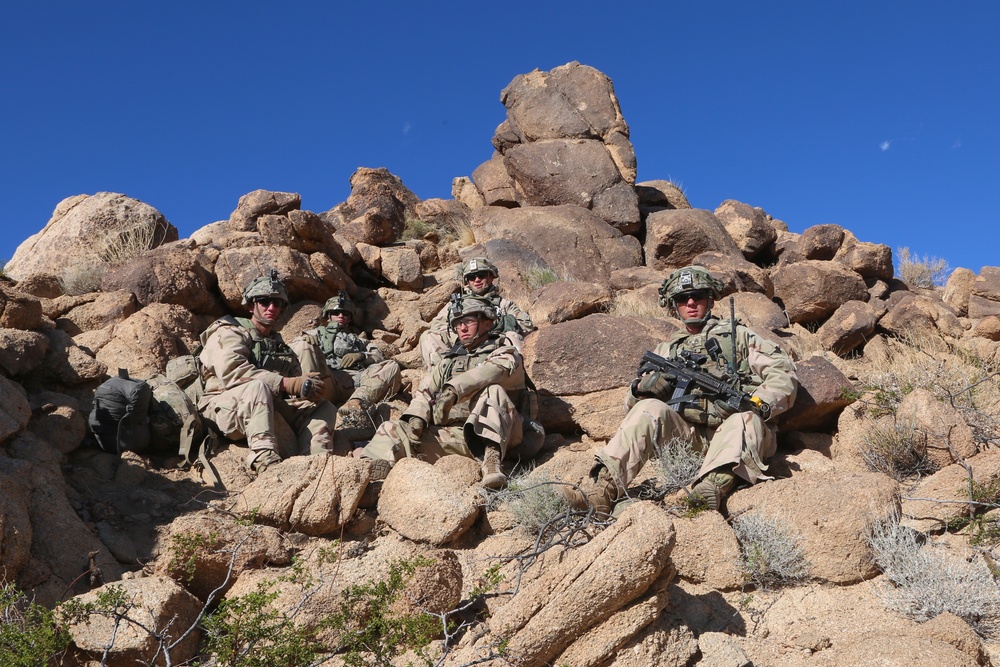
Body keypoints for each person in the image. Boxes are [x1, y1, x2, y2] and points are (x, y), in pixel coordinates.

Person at [563, 265, 798, 514]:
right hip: (687, 439)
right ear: (674, 306)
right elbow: (631, 407)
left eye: (697, 296)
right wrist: (642, 388)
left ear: (710, 300)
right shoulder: (667, 350)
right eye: (682, 299)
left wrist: (755, 402)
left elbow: (783, 376)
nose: (691, 303)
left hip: (734, 433)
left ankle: (709, 490)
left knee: (745, 418)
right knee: (648, 408)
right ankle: (601, 493)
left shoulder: (739, 337)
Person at [360, 294, 532, 490]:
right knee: (391, 429)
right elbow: (425, 391)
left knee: (493, 391)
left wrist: (453, 390)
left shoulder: (506, 353)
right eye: (458, 324)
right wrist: (417, 418)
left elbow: (490, 371)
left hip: (504, 437)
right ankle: (365, 479)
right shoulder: (448, 362)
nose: (463, 329)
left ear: (487, 323)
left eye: (468, 321)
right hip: (458, 436)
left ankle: (492, 463)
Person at [197, 270, 338, 475]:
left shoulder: (278, 344)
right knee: (257, 387)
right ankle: (265, 460)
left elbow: (294, 383)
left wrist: (307, 388)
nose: (271, 308)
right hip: (220, 406)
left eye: (278, 303)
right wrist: (289, 383)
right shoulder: (230, 331)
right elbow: (232, 373)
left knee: (323, 407)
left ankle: (315, 462)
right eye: (264, 302)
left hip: (263, 404)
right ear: (251, 305)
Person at [290, 291, 402, 425]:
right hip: (325, 381)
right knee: (304, 346)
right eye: (336, 313)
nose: (341, 316)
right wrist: (306, 341)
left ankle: (356, 403)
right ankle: (308, 400)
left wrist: (361, 356)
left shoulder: (358, 340)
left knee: (391, 366)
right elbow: (291, 348)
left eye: (345, 313)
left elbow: (378, 355)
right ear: (328, 316)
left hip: (354, 382)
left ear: (350, 318)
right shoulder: (316, 333)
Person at [419, 257, 534, 367]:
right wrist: (463, 333)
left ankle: (516, 377)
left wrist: (498, 325)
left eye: (481, 275)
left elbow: (526, 325)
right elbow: (437, 325)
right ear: (467, 281)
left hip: (493, 347)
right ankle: (442, 376)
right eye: (472, 277)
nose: (477, 280)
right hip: (462, 346)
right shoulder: (455, 305)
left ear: (491, 277)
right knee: (429, 336)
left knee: (511, 335)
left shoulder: (503, 305)